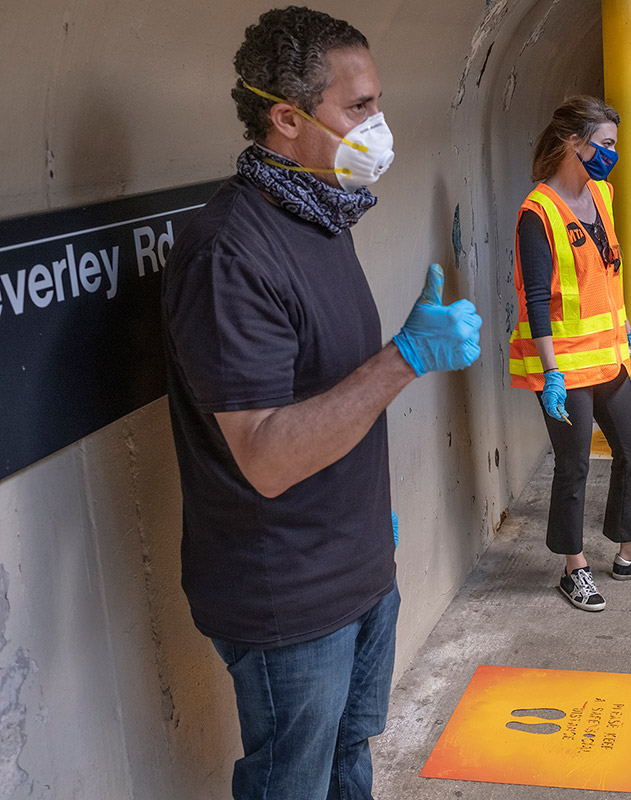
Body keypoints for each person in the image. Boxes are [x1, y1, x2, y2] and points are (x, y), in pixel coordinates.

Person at [161, 8, 482, 799]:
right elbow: (268, 456)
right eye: (360, 107)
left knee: (348, 760)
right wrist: (405, 358)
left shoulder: (320, 215)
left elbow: (327, 389)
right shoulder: (230, 252)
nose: (380, 126)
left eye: (378, 102)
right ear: (286, 117)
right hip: (287, 596)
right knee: (290, 783)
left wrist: (373, 528)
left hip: (357, 567)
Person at [509, 96, 631, 612]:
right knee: (574, 465)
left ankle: (629, 551)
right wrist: (552, 373)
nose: (612, 154)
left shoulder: (601, 194)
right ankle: (574, 567)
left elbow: (605, 277)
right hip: (563, 368)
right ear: (573, 143)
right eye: (605, 144)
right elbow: (537, 299)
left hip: (608, 357)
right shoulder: (537, 213)